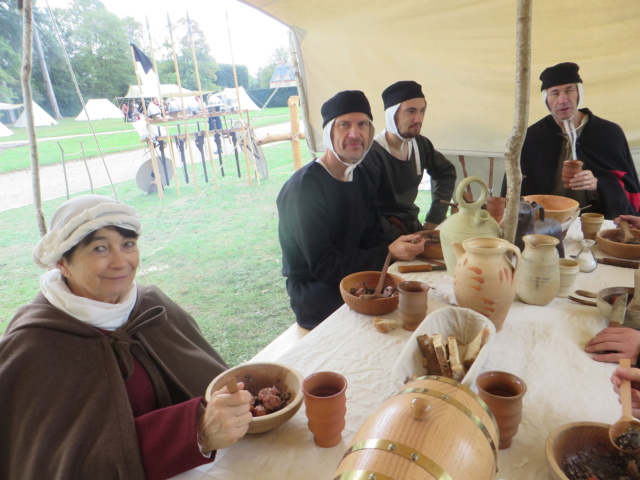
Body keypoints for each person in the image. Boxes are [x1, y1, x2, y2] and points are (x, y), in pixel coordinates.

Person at [0, 195, 252, 480]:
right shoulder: (34, 346)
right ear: (62, 263)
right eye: (99, 248)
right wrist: (196, 433)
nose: (121, 262)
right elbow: (61, 465)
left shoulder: (151, 305)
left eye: (128, 244)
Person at [277, 90, 425, 329]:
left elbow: (372, 233)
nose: (355, 134)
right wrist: (388, 252)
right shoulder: (304, 189)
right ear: (328, 132)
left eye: (363, 124)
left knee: (411, 300)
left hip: (357, 273)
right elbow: (323, 265)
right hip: (317, 289)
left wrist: (403, 243)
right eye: (344, 125)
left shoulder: (363, 174)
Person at [501, 61, 640, 220]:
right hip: (543, 220)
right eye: (555, 93)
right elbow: (513, 191)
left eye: (569, 90)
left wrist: (596, 184)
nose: (563, 99)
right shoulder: (531, 137)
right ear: (546, 99)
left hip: (593, 221)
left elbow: (628, 190)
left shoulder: (608, 133)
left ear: (579, 93)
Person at [361, 80, 456, 239]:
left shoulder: (421, 145)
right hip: (379, 237)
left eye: (422, 111)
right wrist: (397, 239)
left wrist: (434, 218)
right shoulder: (371, 155)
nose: (418, 119)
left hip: (412, 229)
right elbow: (365, 211)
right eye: (410, 111)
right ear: (392, 114)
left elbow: (446, 173)